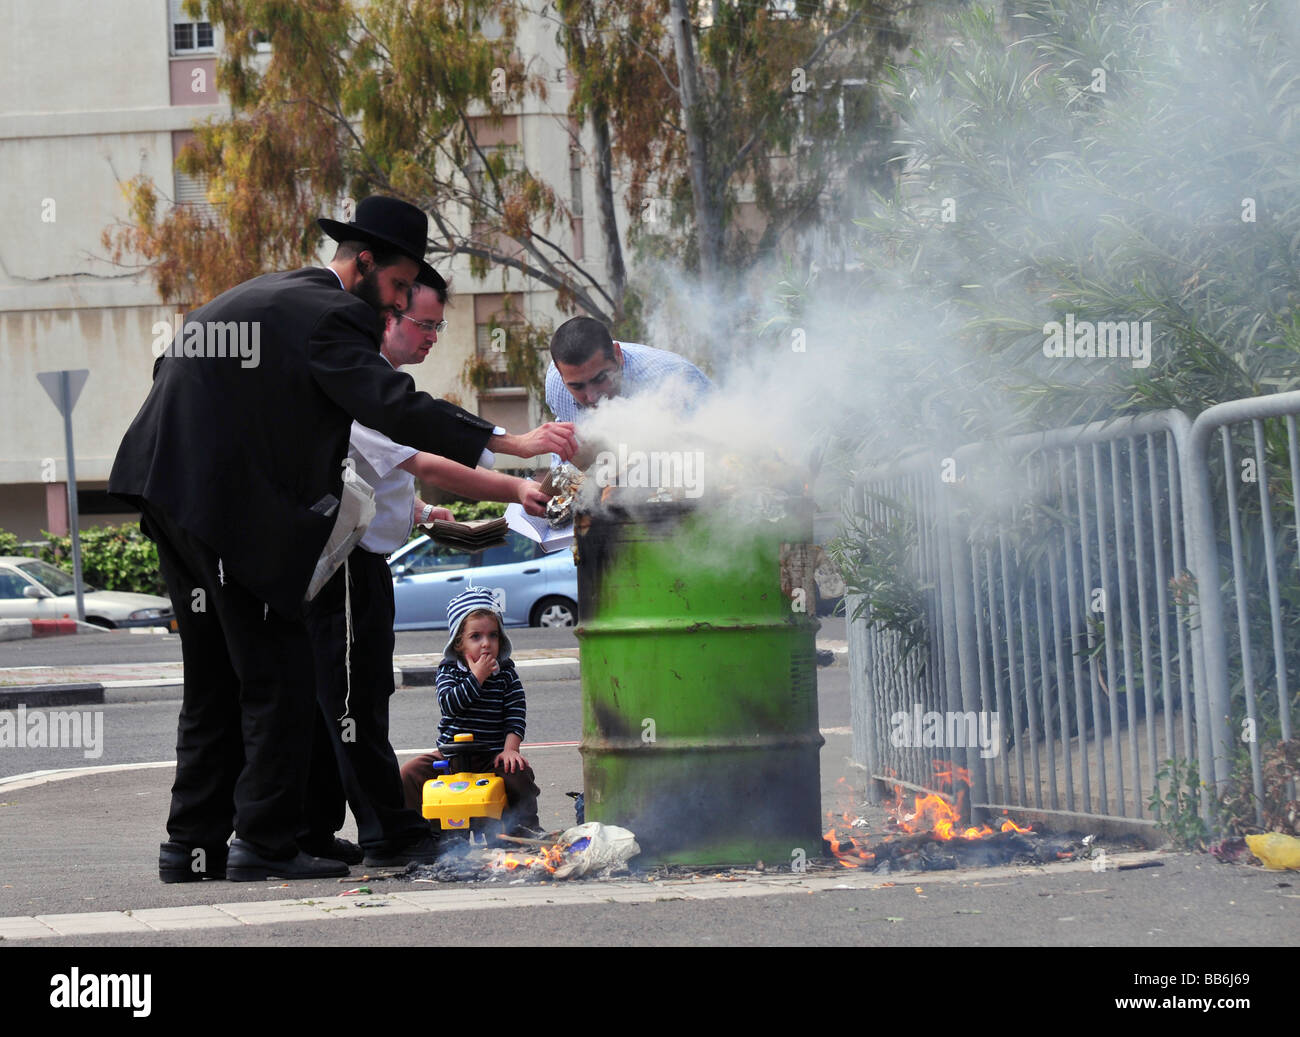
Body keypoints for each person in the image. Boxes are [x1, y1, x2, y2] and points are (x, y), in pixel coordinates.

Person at [109, 195, 576, 883]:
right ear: (363, 264)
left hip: (166, 487)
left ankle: (192, 845)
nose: (392, 309)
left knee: (212, 679)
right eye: (395, 289)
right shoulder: (337, 315)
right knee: (281, 672)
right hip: (216, 505)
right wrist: (509, 441)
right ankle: (263, 843)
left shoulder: (278, 295)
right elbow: (394, 405)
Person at [302, 273, 563, 867]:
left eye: (438, 326)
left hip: (364, 562)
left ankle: (318, 831)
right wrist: (517, 476)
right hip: (343, 566)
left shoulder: (382, 387)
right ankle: (384, 835)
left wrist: (416, 510)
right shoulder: (362, 387)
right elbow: (428, 457)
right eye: (423, 323)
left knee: (351, 699)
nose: (431, 338)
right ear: (387, 317)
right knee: (350, 703)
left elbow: (377, 473)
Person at [399, 587, 541, 837]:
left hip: (491, 755)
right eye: (476, 636)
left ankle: (524, 827)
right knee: (409, 773)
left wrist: (510, 749)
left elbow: (516, 714)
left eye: (493, 635)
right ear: (459, 642)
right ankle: (422, 834)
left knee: (518, 773)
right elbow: (449, 704)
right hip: (450, 756)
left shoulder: (506, 673)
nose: (486, 643)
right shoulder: (449, 671)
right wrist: (477, 677)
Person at [544, 315, 713, 423]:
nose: (592, 396)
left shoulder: (676, 378)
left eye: (600, 378)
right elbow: (571, 458)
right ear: (560, 373)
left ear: (618, 355)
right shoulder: (556, 385)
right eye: (577, 386)